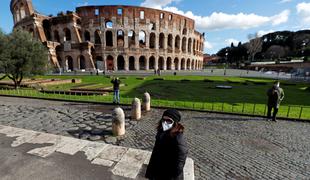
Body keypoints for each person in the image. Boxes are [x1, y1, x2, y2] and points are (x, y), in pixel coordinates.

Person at [145, 109, 188, 180]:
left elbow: (180, 162)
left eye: (169, 121)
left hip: (168, 175)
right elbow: (155, 152)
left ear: (175, 123)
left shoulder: (178, 138)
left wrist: (171, 176)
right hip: (158, 169)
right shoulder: (161, 131)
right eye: (163, 120)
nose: (165, 123)